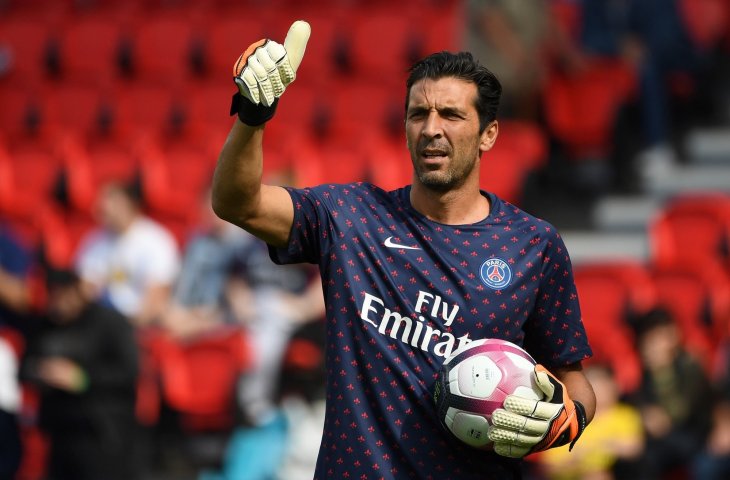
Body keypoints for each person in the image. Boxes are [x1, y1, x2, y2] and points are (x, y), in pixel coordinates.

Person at [211, 21, 595, 479]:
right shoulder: (351, 218)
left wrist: (566, 419)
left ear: (489, 134)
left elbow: (573, 379)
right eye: (419, 114)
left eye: (451, 115)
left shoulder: (534, 245)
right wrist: (254, 115)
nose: (432, 129)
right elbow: (238, 203)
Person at [19, 267, 140, 480]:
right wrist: (44, 372)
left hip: (102, 432)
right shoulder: (45, 325)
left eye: (66, 296)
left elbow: (129, 371)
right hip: (59, 432)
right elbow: (24, 369)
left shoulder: (109, 322)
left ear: (79, 292)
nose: (60, 304)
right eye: (54, 297)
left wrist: (82, 378)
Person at [75, 181, 180, 327]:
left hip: (136, 324)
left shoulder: (156, 240)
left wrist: (129, 330)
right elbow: (83, 289)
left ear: (130, 204)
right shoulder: (93, 241)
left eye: (113, 201)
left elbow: (156, 298)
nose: (106, 207)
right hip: (99, 323)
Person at [628, 307, 714, 479]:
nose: (656, 346)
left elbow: (682, 411)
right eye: (650, 340)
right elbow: (632, 399)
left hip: (693, 434)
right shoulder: (642, 371)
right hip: (661, 441)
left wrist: (662, 373)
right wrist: (645, 413)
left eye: (660, 337)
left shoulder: (689, 365)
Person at [536, 363, 644, 479]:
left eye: (603, 386)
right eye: (595, 387)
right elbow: (549, 467)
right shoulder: (567, 420)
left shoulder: (625, 415)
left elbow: (634, 448)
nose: (601, 393)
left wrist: (603, 447)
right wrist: (575, 461)